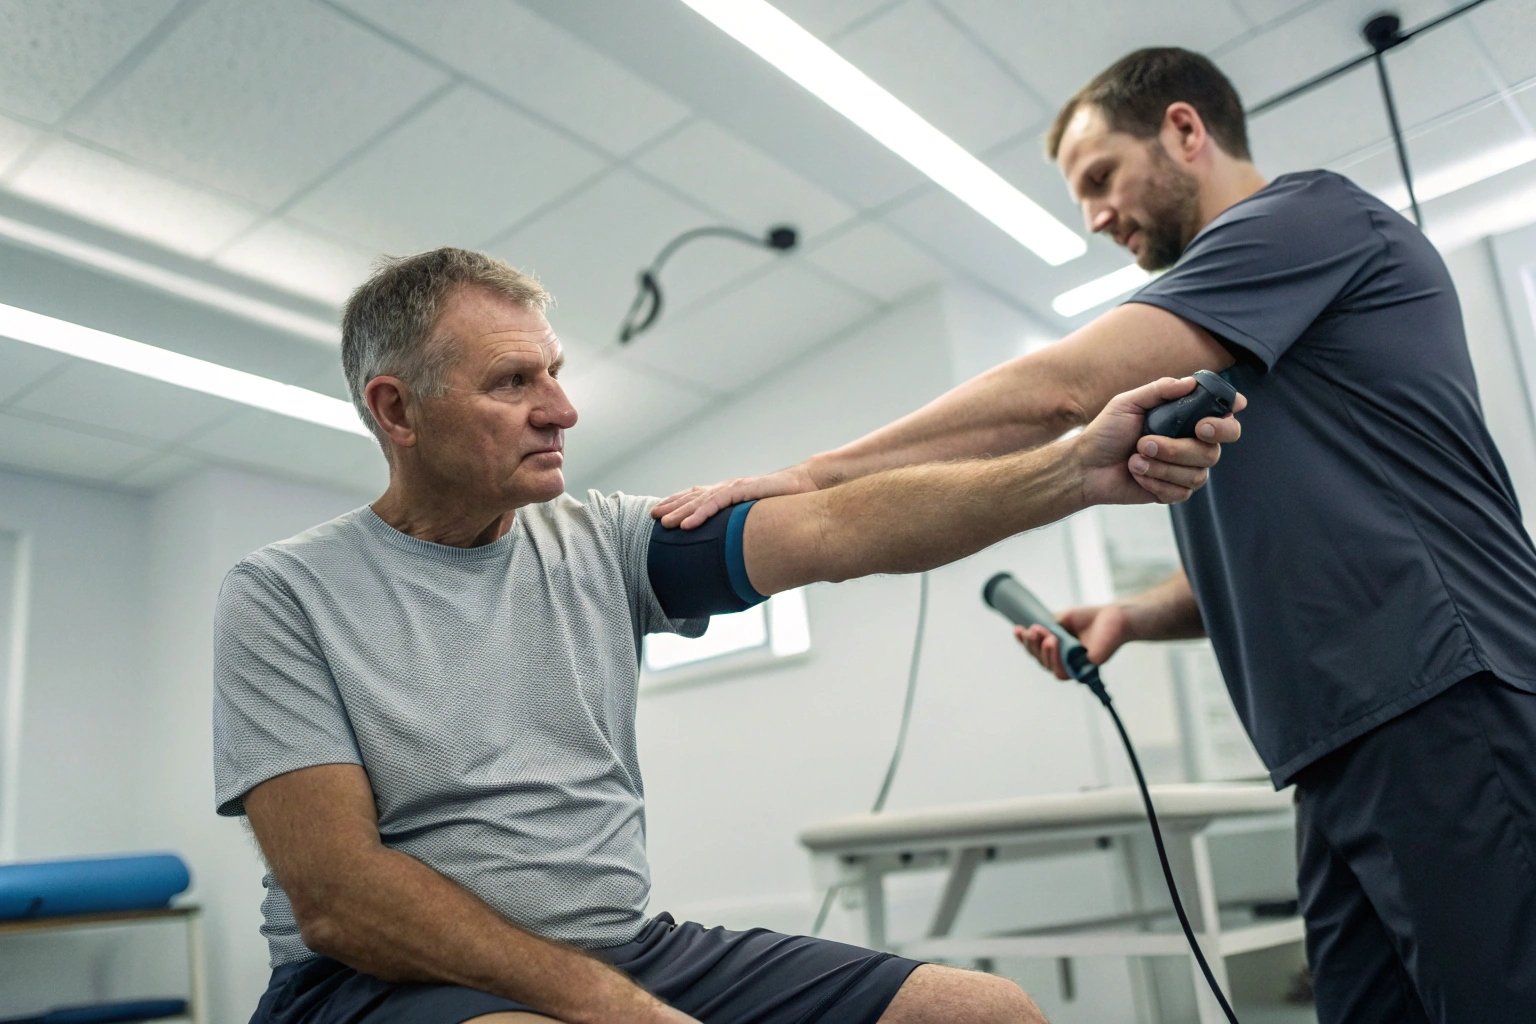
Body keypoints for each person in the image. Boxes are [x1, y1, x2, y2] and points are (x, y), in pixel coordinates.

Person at [655, 47, 1536, 1024]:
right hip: (1340, 741)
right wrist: (1130, 614)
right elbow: (1277, 564)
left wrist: (816, 475)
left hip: (1444, 697)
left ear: (1185, 130)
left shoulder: (1305, 218)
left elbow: (1070, 389)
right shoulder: (1252, 342)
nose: (1096, 216)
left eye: (1102, 178)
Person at [212, 246, 1241, 1024]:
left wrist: (1071, 474)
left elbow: (839, 528)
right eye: (512, 383)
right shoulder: (285, 594)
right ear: (397, 409)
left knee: (987, 1014)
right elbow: (342, 902)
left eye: (555, 373)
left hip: (621, 947)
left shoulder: (605, 541)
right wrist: (615, 1008)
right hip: (374, 985)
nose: (561, 408)